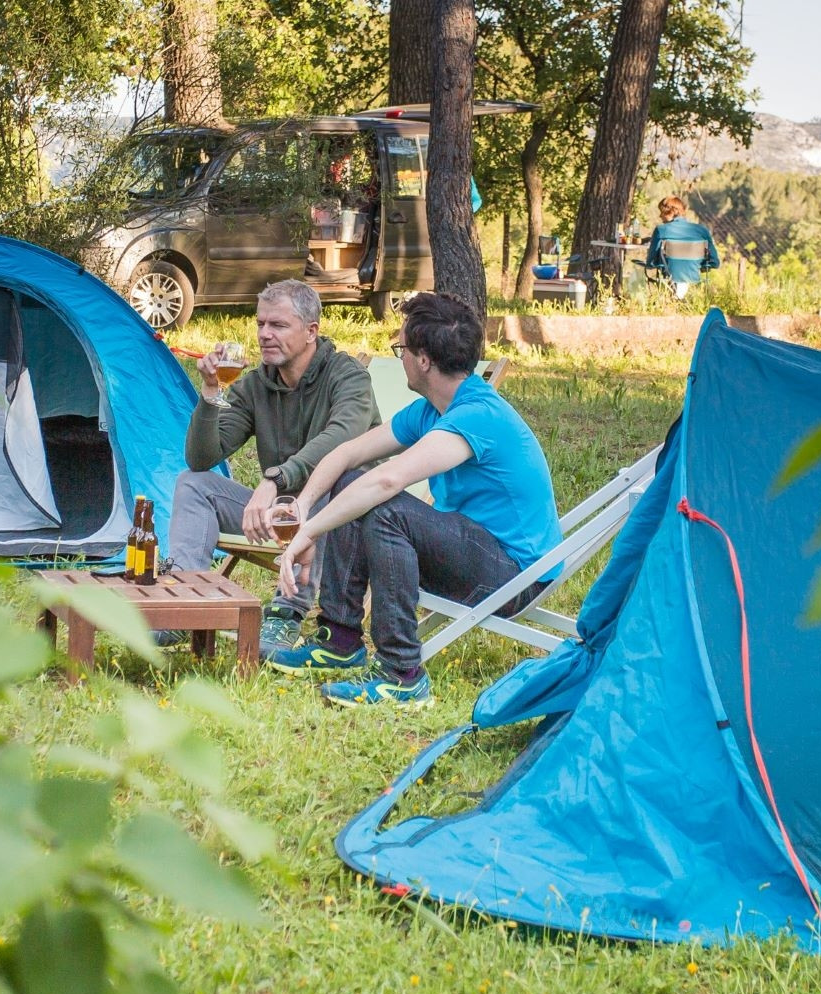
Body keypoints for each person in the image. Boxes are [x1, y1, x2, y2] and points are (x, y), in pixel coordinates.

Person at [266, 293, 563, 708]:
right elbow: (348, 454)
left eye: (401, 347)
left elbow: (388, 480)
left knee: (386, 508)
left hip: (516, 578)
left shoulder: (478, 414)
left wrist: (310, 532)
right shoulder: (431, 411)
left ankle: (402, 675)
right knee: (353, 482)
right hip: (477, 553)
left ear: (423, 359)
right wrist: (302, 508)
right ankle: (340, 640)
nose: (399, 355)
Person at [171, 279, 380, 648]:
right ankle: (183, 604)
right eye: (261, 323)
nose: (265, 334)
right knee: (193, 483)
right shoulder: (257, 385)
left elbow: (340, 440)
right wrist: (210, 392)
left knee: (332, 482)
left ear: (311, 331)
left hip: (346, 519)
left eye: (278, 325)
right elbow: (201, 457)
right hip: (282, 516)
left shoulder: (348, 377)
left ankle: (286, 612)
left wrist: (276, 480)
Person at [642, 195, 719, 299]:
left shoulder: (661, 230)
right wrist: (701, 266)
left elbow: (651, 261)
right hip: (695, 280)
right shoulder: (702, 230)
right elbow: (715, 262)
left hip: (669, 277)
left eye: (662, 212)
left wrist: (651, 264)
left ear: (671, 212)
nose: (660, 216)